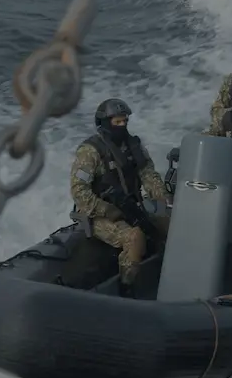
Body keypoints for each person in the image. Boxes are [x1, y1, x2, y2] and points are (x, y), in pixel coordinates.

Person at [70, 98, 171, 297]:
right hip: (98, 215)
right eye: (117, 122)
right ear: (105, 123)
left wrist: (164, 198)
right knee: (134, 238)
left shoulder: (133, 145)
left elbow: (148, 174)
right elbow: (79, 191)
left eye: (125, 121)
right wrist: (108, 210)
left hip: (132, 207)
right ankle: (127, 287)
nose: (122, 126)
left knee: (168, 225)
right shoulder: (91, 152)